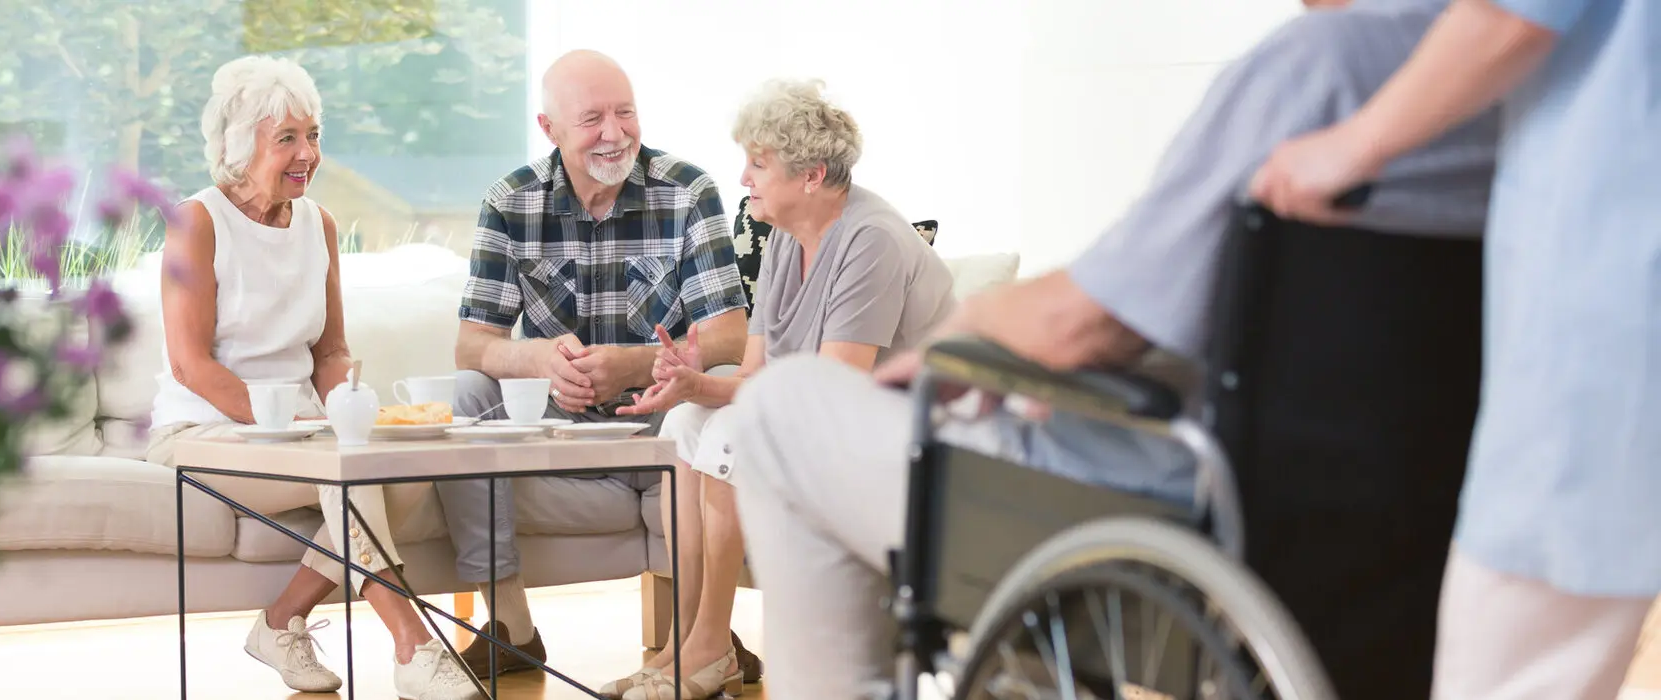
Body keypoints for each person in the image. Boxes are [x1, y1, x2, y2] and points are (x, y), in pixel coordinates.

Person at [722, 1, 1503, 698]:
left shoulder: (1321, 63)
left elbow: (1090, 319)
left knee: (780, 415)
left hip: (1168, 501)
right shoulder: (1508, 85)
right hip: (1390, 526)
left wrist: (971, 328)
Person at [1248, 1, 1661, 697]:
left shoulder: (1318, 65)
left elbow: (1515, 16)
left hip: (1608, 322)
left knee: (1515, 665)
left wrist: (1355, 145)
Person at [596, 79, 958, 700]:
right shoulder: (786, 237)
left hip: (908, 433)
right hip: (834, 420)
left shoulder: (871, 241)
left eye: (758, 164)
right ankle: (684, 641)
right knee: (684, 424)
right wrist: (690, 383)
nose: (743, 179)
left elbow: (830, 388)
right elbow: (758, 376)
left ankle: (711, 647)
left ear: (812, 175)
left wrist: (716, 392)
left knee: (736, 429)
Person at [145, 56, 479, 700]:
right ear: (240, 148)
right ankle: (414, 650)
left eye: (315, 134)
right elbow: (190, 362)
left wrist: (347, 408)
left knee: (398, 469)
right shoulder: (198, 222)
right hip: (201, 429)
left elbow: (330, 351)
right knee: (341, 471)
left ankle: (280, 620)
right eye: (288, 139)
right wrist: (292, 426)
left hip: (298, 432)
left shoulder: (318, 224)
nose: (309, 154)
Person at [442, 49, 753, 677]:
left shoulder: (687, 190)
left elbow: (729, 337)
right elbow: (473, 345)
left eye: (625, 113)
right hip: (561, 433)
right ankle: (510, 627)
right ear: (549, 128)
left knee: (718, 385)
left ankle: (700, 634)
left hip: (667, 424)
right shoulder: (511, 201)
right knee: (469, 392)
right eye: (592, 120)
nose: (615, 134)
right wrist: (538, 359)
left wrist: (640, 365)